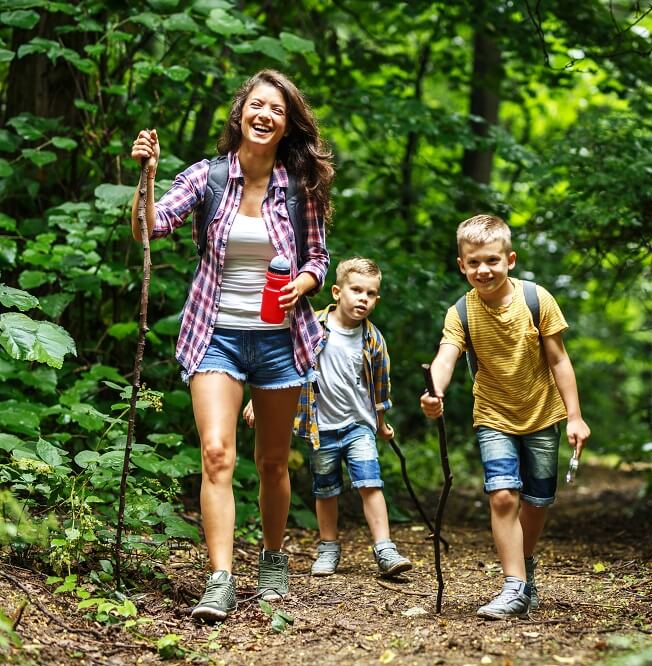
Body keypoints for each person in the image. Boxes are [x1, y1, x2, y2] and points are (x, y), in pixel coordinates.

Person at [129, 69, 334, 622]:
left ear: (287, 124)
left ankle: (272, 557)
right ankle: (220, 578)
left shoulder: (299, 185)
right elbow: (152, 226)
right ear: (241, 112)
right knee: (217, 453)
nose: (265, 116)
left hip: (280, 341)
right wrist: (146, 177)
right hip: (214, 333)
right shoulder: (208, 176)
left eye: (277, 110)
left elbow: (319, 257)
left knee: (271, 462)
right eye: (257, 106)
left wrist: (305, 283)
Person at [420, 214, 590, 619]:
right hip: (493, 415)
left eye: (492, 260)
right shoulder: (460, 312)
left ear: (510, 260)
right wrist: (434, 391)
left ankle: (524, 568)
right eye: (474, 262)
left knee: (537, 500)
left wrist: (575, 416)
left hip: (542, 413)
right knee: (502, 495)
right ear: (462, 265)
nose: (484, 269)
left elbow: (560, 360)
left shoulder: (537, 300)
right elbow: (446, 357)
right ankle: (514, 585)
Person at [243, 257, 412, 578]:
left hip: (359, 426)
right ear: (336, 291)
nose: (363, 298)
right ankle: (328, 547)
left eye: (371, 294)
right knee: (326, 489)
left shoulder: (372, 339)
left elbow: (380, 384)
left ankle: (385, 548)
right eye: (357, 290)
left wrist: (381, 422)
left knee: (370, 483)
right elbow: (283, 363)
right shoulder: (312, 326)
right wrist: (259, 399)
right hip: (320, 428)